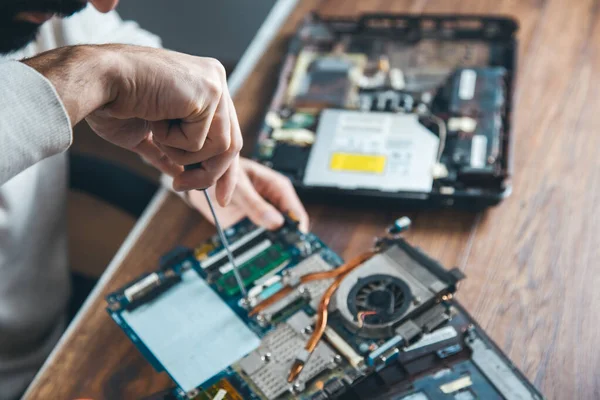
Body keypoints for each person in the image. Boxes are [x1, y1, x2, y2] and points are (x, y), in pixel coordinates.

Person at [0, 1, 309, 398]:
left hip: (50, 328)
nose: (104, 0)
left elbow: (109, 43)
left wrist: (186, 138)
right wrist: (93, 73)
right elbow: (97, 66)